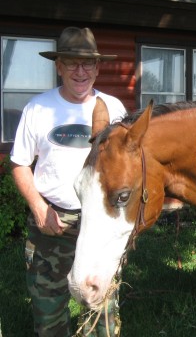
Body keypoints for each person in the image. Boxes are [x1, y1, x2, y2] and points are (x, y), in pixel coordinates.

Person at [10, 27, 127, 336]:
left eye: (88, 63)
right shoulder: (38, 109)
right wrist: (38, 207)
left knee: (102, 314)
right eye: (71, 62)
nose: (80, 71)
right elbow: (20, 164)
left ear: (98, 67)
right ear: (58, 66)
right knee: (48, 317)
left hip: (100, 227)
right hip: (52, 225)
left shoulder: (114, 110)